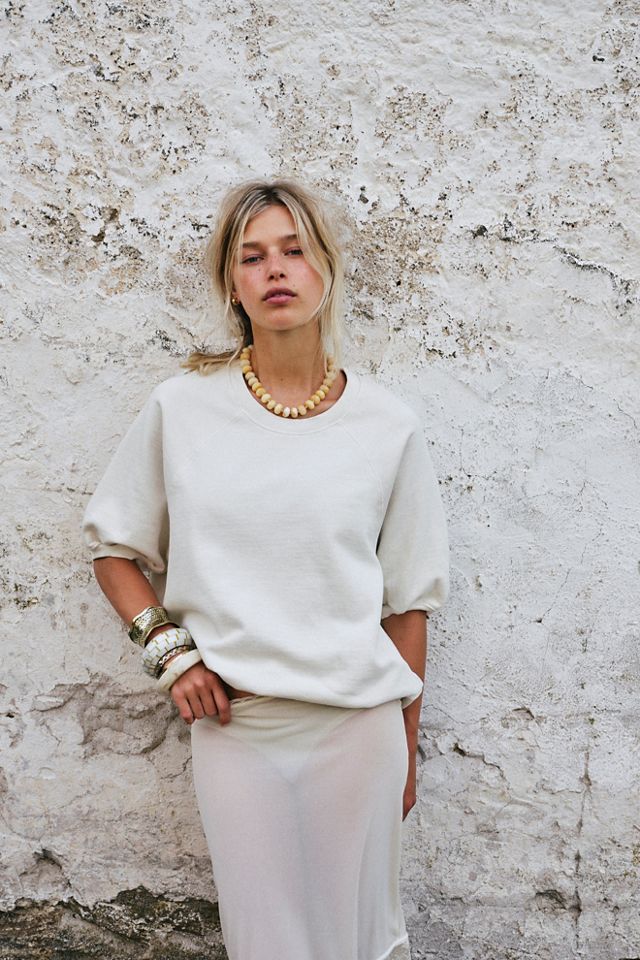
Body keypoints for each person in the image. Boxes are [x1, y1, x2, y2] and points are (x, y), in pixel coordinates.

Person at [81, 177, 450, 960]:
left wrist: (407, 753)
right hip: (237, 729)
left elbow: (408, 607)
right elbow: (115, 550)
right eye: (252, 257)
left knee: (362, 942)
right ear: (232, 282)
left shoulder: (387, 426)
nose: (275, 269)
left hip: (359, 731)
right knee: (264, 944)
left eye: (294, 250)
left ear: (327, 269)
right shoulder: (182, 409)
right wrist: (171, 655)